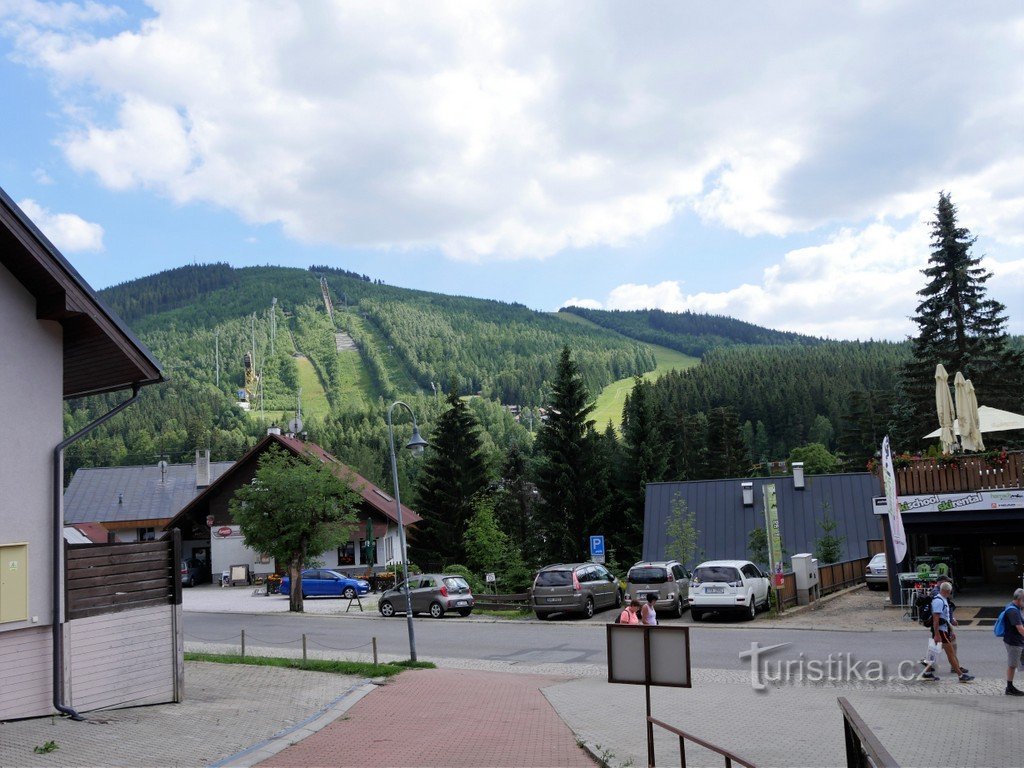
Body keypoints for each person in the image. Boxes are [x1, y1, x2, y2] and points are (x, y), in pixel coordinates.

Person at [925, 581, 973, 682]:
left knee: (934, 651)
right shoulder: (939, 601)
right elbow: (936, 619)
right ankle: (960, 676)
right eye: (950, 591)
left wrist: (950, 628)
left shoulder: (943, 599)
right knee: (950, 654)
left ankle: (927, 672)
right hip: (941, 631)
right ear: (947, 591)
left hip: (943, 630)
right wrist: (937, 634)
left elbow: (945, 617)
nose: (950, 593)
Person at [1000, 588, 1024, 696]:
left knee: (1016, 664)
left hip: (1016, 641)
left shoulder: (1012, 606)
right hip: (1014, 642)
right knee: (1012, 664)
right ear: (1019, 599)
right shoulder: (1013, 611)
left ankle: (1010, 687)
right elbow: (1020, 629)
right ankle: (1009, 688)